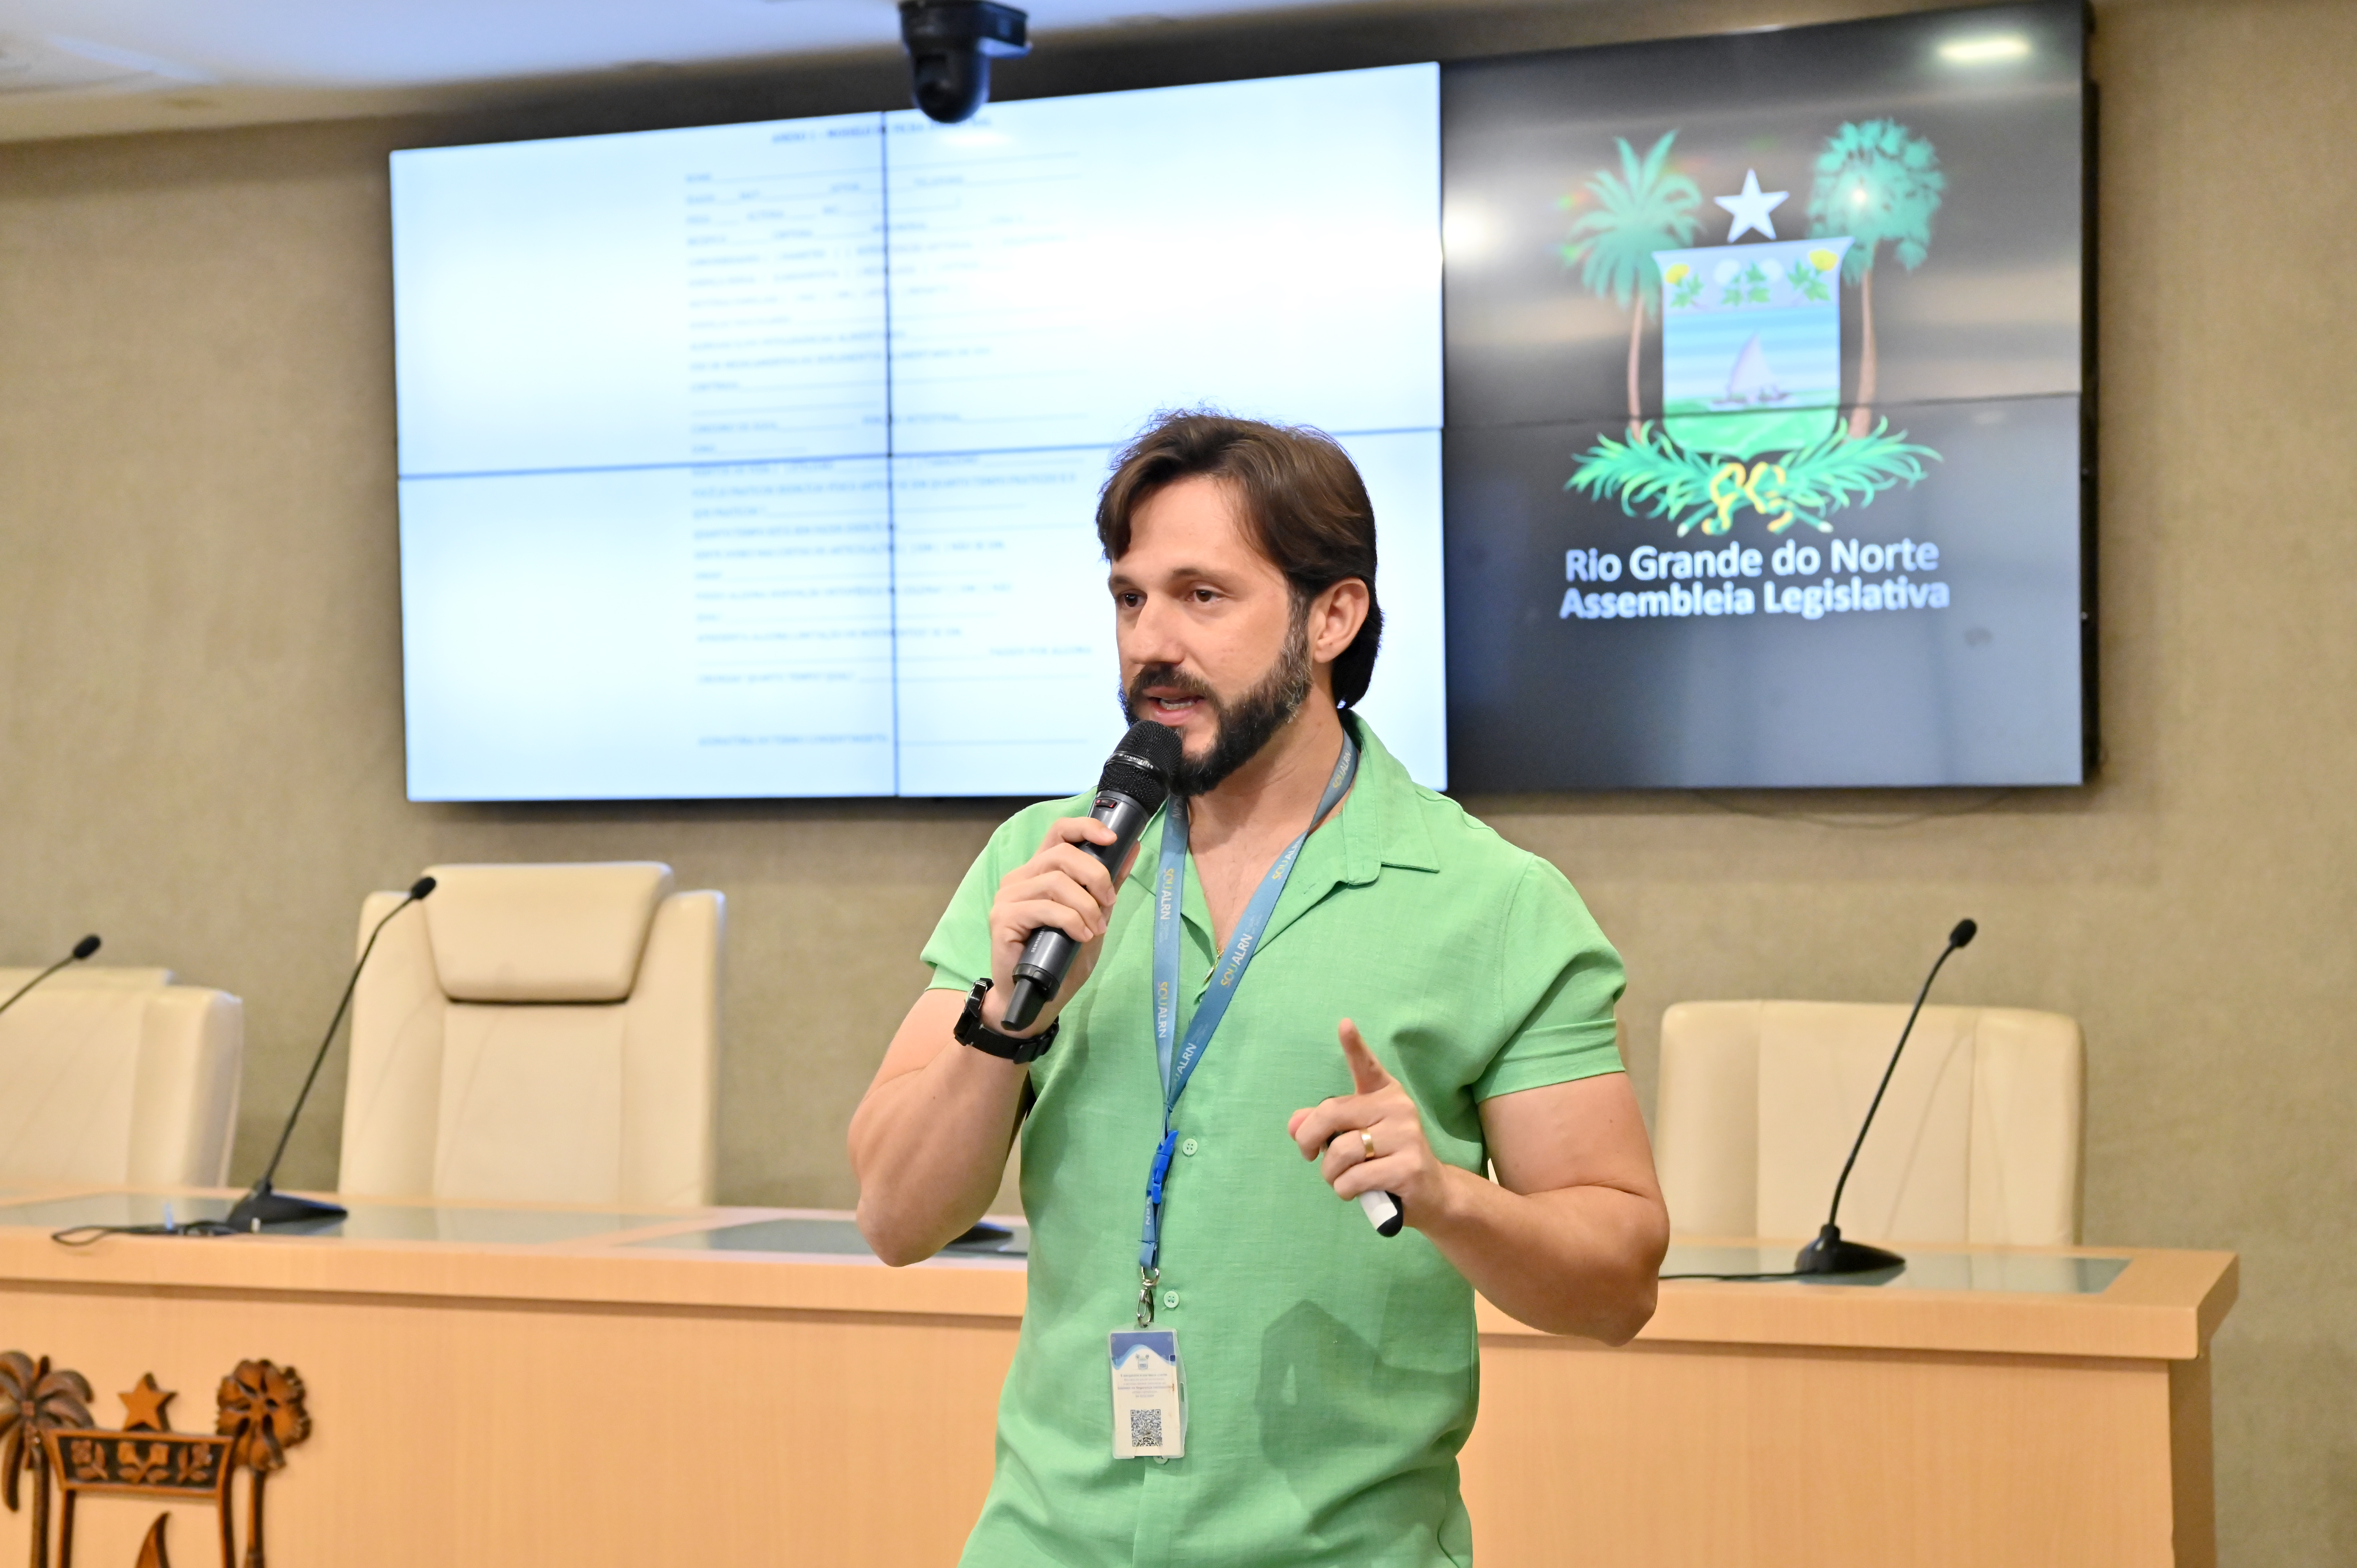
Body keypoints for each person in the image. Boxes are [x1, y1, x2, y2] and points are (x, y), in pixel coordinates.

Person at [849, 411, 1668, 1567]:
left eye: (1203, 596)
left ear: (1332, 617)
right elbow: (895, 1218)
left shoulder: (1495, 904)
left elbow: (1619, 1285)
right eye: (1130, 599)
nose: (1151, 642)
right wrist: (1006, 1022)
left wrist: (1448, 1200)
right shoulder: (1044, 866)